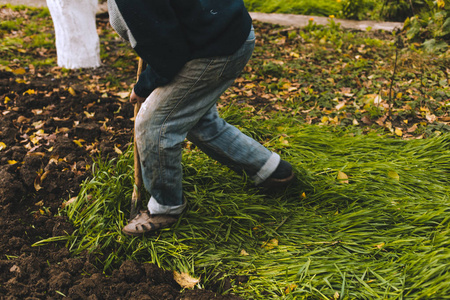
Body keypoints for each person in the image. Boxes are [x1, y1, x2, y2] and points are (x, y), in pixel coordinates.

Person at [107, 0, 295, 236]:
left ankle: (166, 207)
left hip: (211, 48)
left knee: (155, 123)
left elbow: (168, 52)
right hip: (230, 31)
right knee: (194, 118)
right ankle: (271, 171)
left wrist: (144, 86)